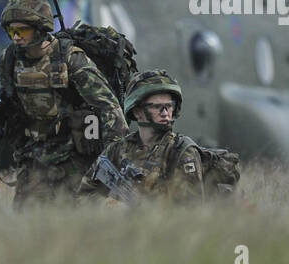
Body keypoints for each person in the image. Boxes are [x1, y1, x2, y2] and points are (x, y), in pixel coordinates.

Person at [0, 0, 126, 206]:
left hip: (72, 154)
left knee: (73, 218)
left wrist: (112, 158)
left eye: (22, 30)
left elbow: (108, 107)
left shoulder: (69, 57)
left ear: (40, 29)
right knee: (24, 221)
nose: (16, 36)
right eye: (11, 31)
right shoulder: (8, 59)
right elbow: (11, 103)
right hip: (32, 154)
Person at [80, 70, 205, 203]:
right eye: (157, 107)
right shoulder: (117, 149)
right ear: (137, 111)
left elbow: (192, 209)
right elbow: (82, 195)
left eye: (169, 106)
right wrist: (106, 205)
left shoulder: (181, 151)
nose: (165, 113)